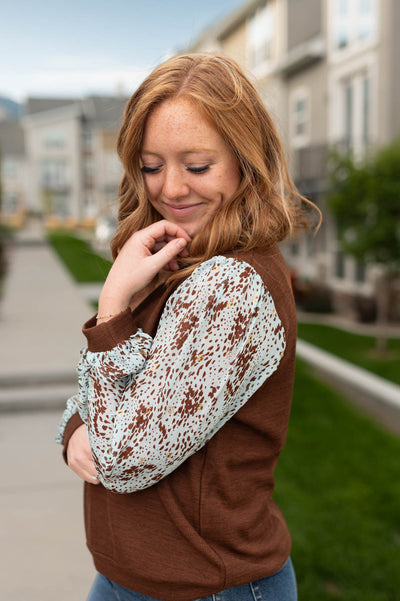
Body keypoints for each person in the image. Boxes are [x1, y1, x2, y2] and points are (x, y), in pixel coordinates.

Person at [57, 53, 318, 601]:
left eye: (197, 166)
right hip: (132, 576)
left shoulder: (231, 287)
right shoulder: (174, 257)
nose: (170, 189)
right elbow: (105, 395)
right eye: (152, 166)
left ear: (247, 161)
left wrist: (111, 307)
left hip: (207, 586)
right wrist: (78, 423)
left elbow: (125, 459)